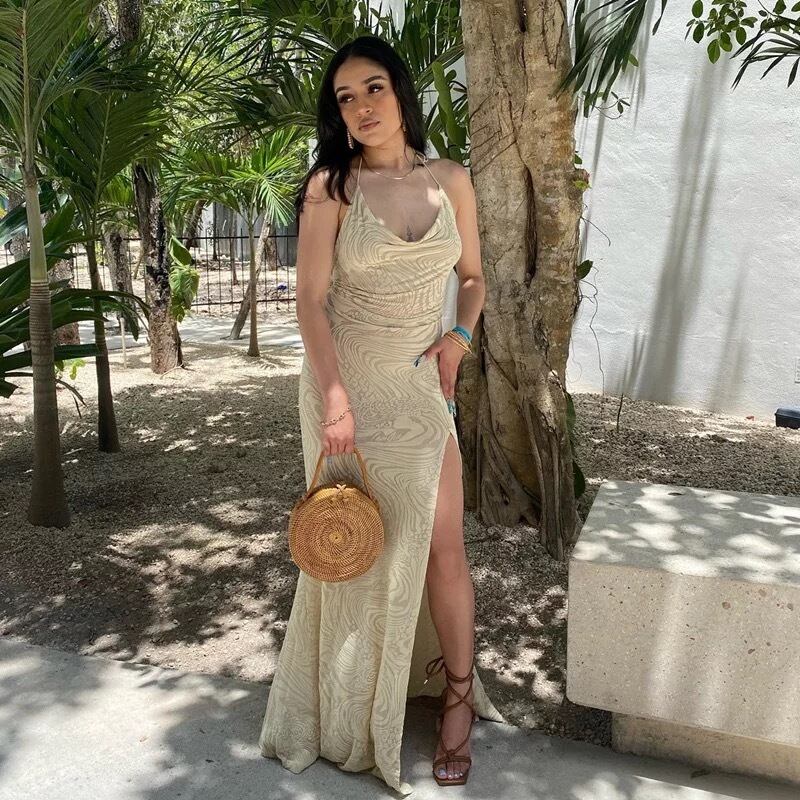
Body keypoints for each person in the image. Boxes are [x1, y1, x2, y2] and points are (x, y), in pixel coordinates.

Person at [258, 34, 504, 794]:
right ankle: (354, 704)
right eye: (345, 98)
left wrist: (459, 338)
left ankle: (457, 695)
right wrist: (335, 397)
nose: (361, 107)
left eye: (373, 89)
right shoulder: (331, 188)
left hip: (419, 387)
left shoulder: (451, 180)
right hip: (346, 387)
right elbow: (309, 301)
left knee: (443, 548)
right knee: (353, 548)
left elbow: (473, 278)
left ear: (399, 91)